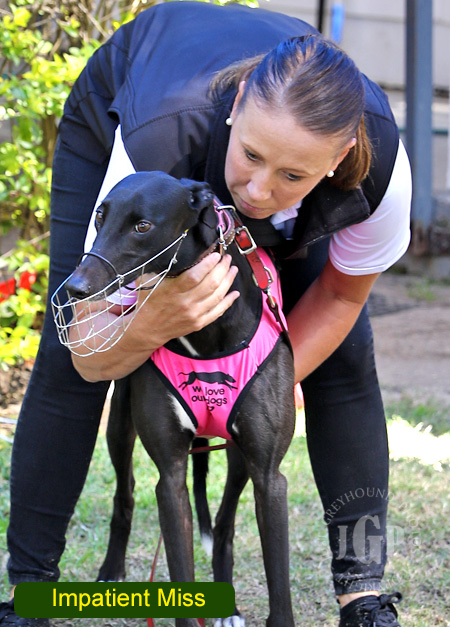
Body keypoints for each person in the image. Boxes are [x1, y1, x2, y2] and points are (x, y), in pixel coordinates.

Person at [0, 2, 411, 626]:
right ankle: (29, 596)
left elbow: (341, 298)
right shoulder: (157, 142)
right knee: (68, 350)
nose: (258, 192)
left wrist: (257, 386)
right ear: (239, 102)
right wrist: (152, 324)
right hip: (138, 105)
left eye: (291, 175)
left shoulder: (379, 170)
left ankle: (363, 598)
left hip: (283, 144)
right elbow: (87, 345)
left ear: (338, 156)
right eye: (251, 156)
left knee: (348, 357)